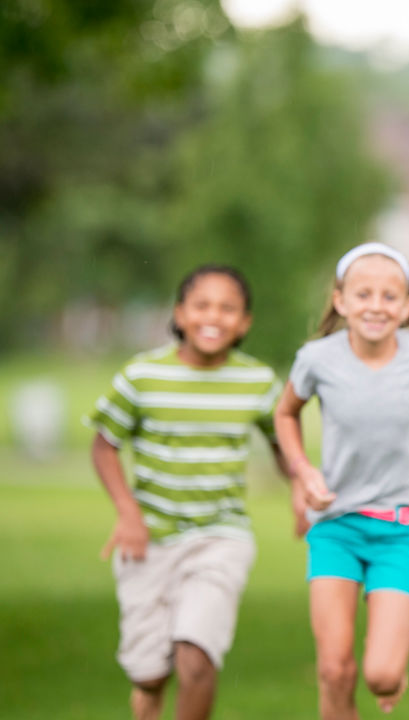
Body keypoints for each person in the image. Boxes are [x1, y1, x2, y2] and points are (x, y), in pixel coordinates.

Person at [274, 243, 409, 719]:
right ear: (341, 300)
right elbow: (286, 413)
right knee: (334, 671)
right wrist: (302, 469)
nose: (376, 305)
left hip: (397, 529)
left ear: (407, 306)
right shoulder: (316, 358)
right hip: (334, 524)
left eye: (389, 296)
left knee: (381, 676)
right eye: (364, 294)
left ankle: (392, 672)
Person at [87, 264, 301, 720]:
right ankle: (146, 695)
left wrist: (301, 487)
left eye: (228, 308)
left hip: (220, 538)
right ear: (180, 314)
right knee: (149, 673)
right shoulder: (142, 375)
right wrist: (128, 514)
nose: (214, 317)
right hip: (149, 538)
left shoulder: (257, 381)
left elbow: (285, 442)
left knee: (196, 655)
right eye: (202, 305)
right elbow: (104, 444)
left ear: (245, 323)